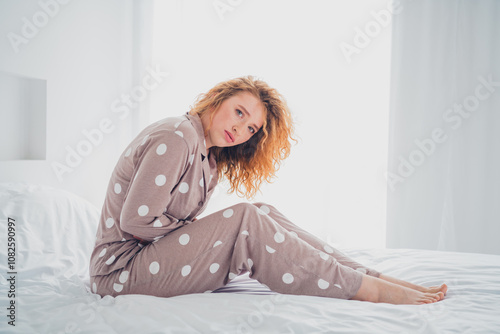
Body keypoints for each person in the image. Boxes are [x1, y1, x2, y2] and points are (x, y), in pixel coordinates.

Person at [89, 76, 447, 305]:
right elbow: (136, 222)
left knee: (259, 210)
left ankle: (367, 276)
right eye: (238, 112)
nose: (241, 128)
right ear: (216, 99)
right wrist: (204, 235)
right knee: (244, 217)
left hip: (149, 261)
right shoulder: (177, 136)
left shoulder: (208, 157)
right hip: (119, 273)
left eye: (251, 127)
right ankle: (366, 289)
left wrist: (203, 236)